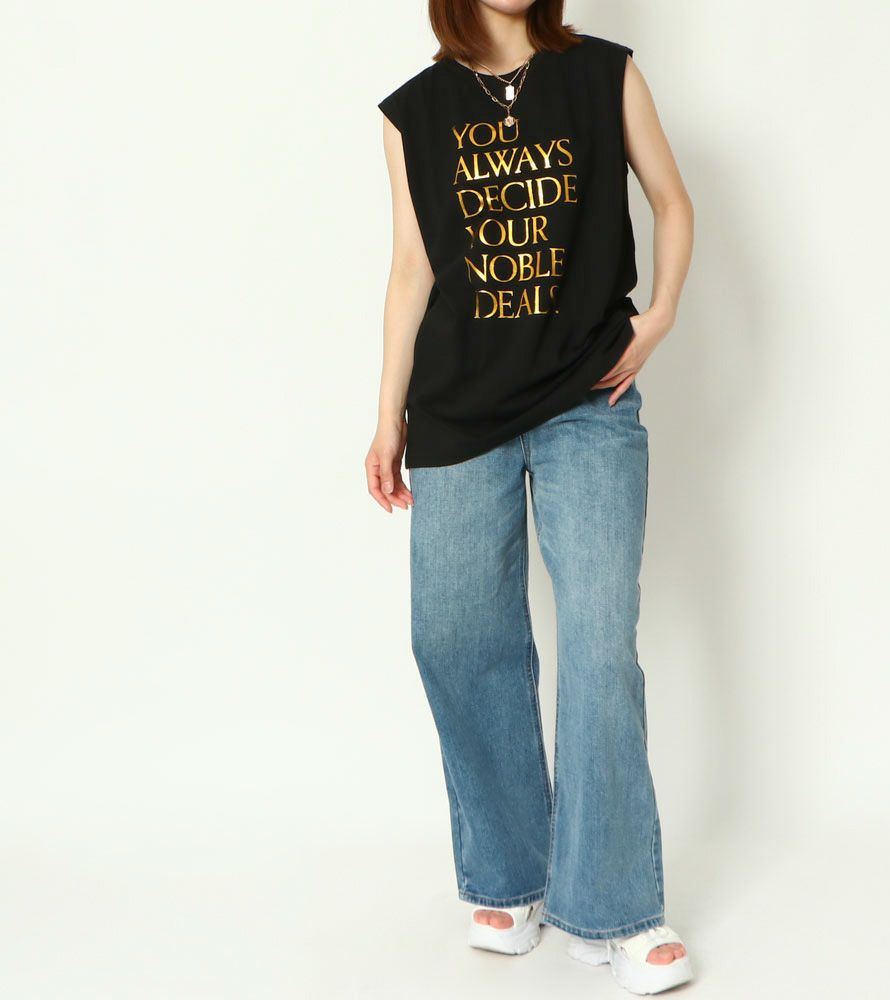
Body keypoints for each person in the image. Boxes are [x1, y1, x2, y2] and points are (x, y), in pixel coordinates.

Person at [366, 1, 694, 993]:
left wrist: (659, 317)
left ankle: (615, 904)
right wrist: (386, 417)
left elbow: (671, 199)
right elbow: (413, 268)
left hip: (588, 400)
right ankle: (510, 876)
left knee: (598, 644)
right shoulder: (413, 111)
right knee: (456, 638)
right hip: (456, 408)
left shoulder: (604, 72)